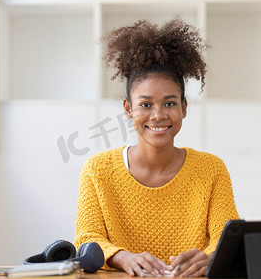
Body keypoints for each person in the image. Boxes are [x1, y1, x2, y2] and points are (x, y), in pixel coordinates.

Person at [74, 18, 239, 277]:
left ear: (184, 108)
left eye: (170, 104)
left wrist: (211, 257)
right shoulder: (97, 170)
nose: (158, 115)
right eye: (146, 104)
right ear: (128, 109)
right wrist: (122, 257)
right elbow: (86, 239)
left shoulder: (211, 169)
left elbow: (227, 237)